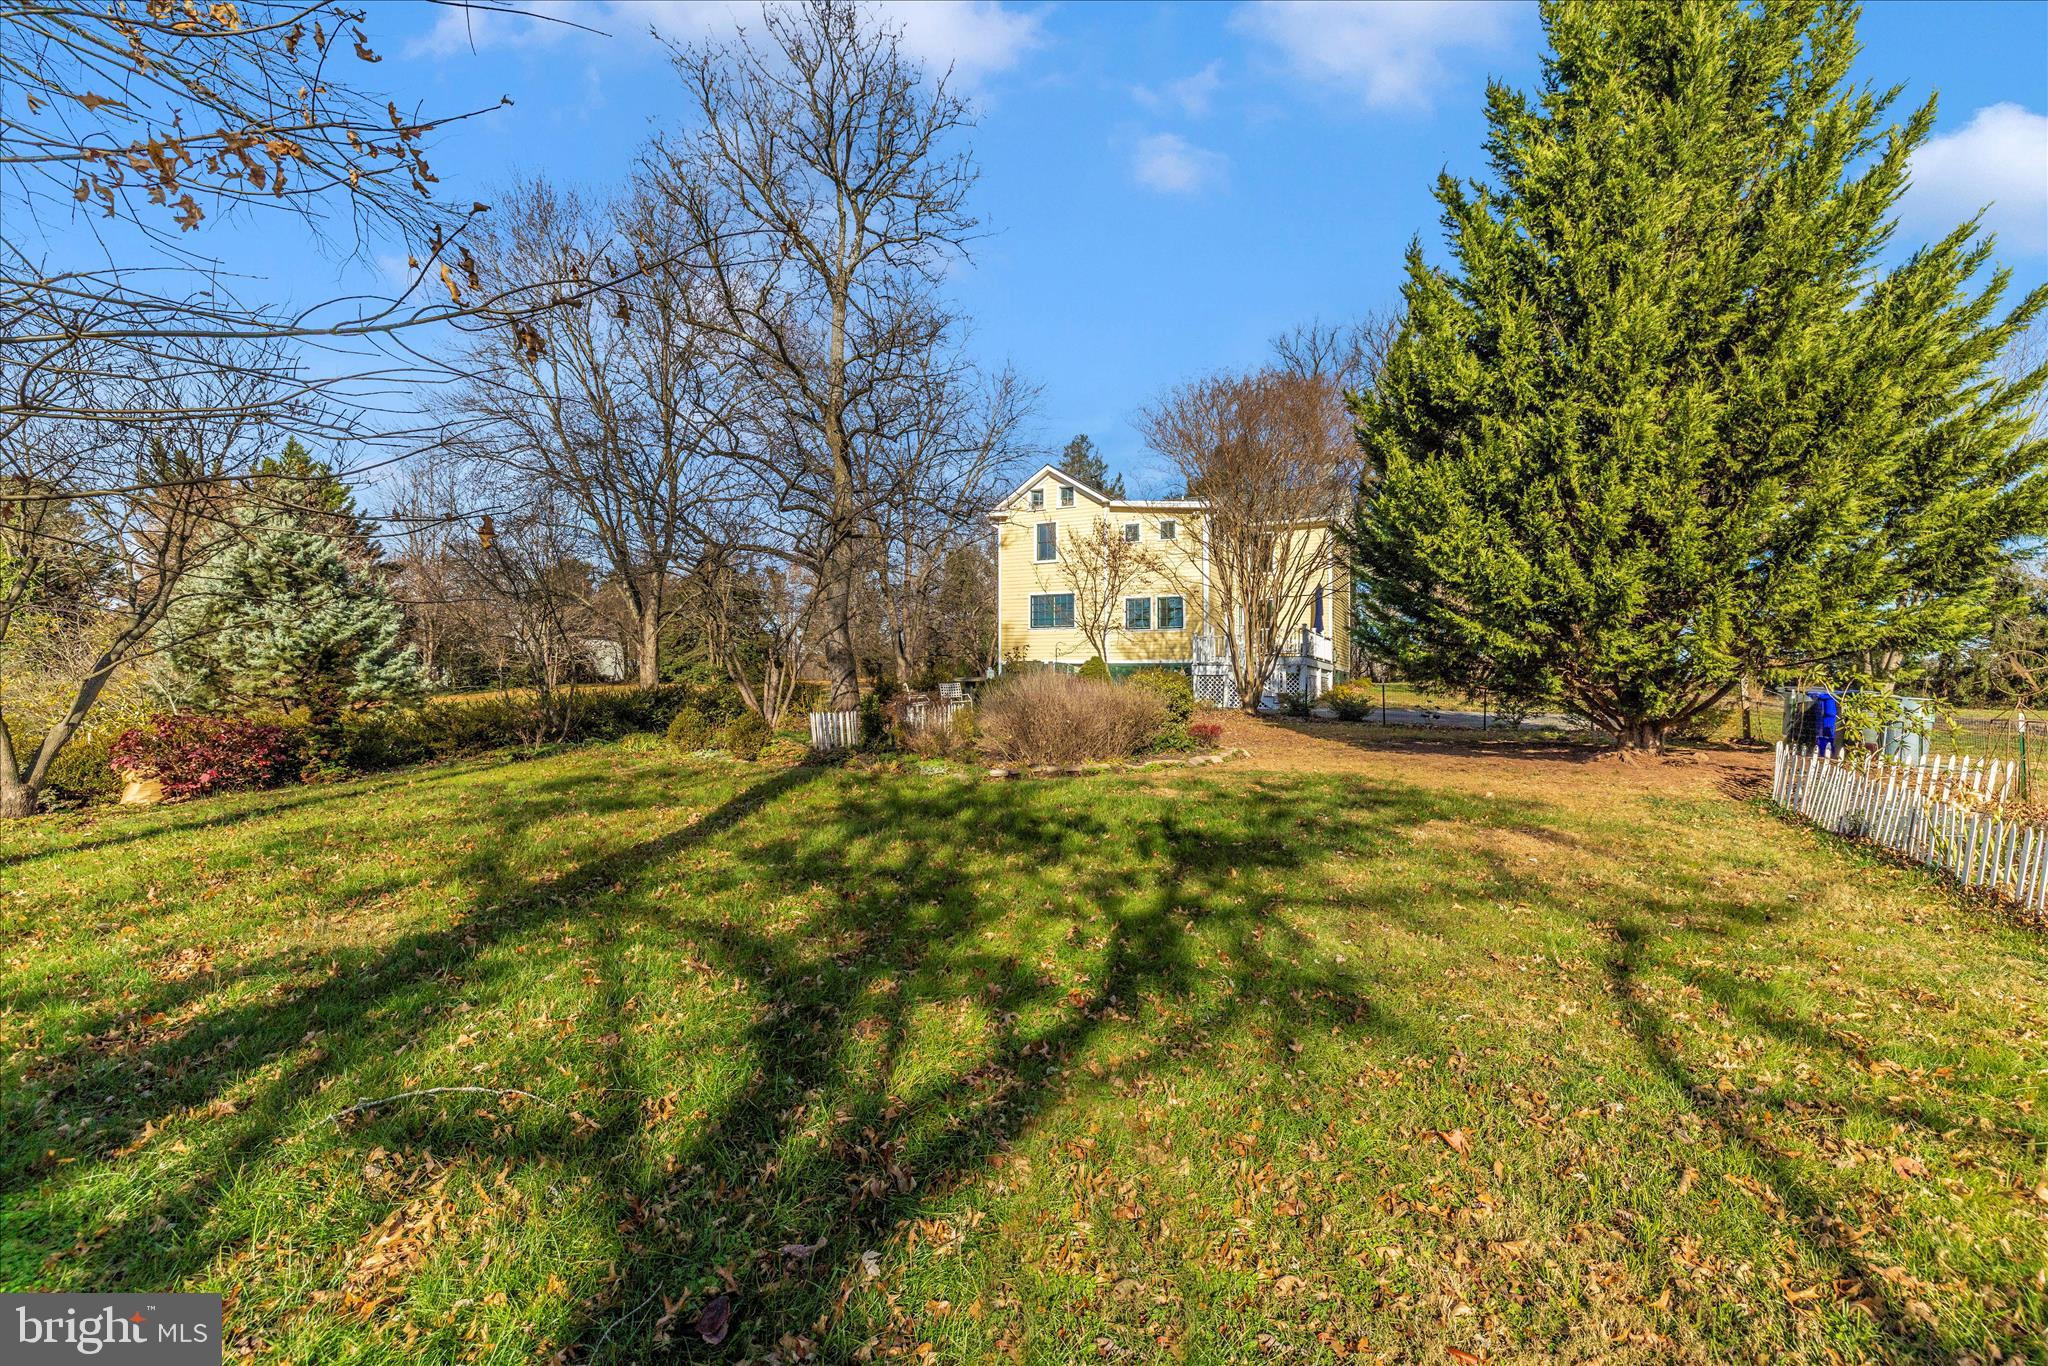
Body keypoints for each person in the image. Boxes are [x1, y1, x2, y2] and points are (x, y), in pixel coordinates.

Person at [1808, 687, 1839, 756]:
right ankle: (1822, 750)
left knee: (1828, 728)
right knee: (1822, 730)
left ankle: (1825, 750)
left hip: (1828, 708)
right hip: (1825, 706)